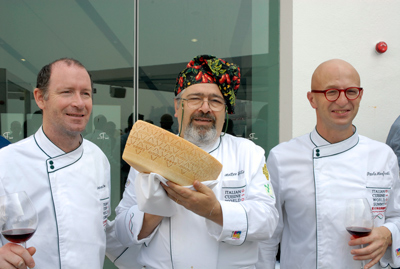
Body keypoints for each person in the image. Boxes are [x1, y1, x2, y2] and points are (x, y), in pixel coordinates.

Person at [115, 54, 278, 268]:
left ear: (226, 110)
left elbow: (267, 223)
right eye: (194, 98)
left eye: (216, 101)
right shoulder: (151, 153)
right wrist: (153, 211)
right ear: (177, 106)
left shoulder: (248, 153)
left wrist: (214, 211)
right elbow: (121, 231)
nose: (205, 108)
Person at [257, 59, 400, 269]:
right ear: (312, 99)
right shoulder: (282, 157)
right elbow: (268, 234)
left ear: (360, 95)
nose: (342, 101)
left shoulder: (383, 155)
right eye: (331, 92)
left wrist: (388, 234)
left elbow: (396, 216)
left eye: (351, 91)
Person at [0, 58, 116, 268]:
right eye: (67, 92)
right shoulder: (5, 162)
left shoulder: (98, 158)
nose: (79, 103)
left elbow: (102, 229)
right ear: (40, 98)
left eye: (86, 93)